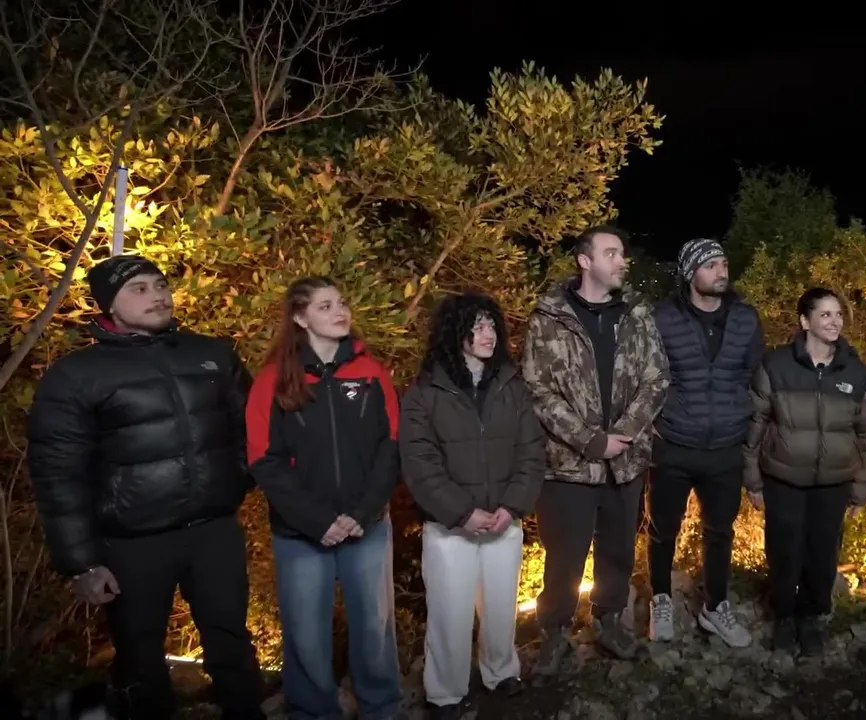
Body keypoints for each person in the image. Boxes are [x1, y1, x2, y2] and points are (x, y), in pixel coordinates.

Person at [26, 254, 265, 719]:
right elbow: (59, 474)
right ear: (109, 306)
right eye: (138, 289)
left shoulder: (211, 354)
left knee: (231, 640)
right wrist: (81, 562)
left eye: (159, 285)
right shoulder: (76, 375)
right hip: (132, 542)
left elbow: (252, 427)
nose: (157, 295)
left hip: (213, 531)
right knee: (139, 653)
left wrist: (238, 479)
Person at [245, 277, 402, 720]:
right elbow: (263, 459)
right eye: (325, 306)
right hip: (301, 533)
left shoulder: (371, 373)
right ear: (300, 317)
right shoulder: (274, 380)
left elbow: (391, 446)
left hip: (365, 526)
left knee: (374, 627)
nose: (340, 311)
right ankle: (313, 712)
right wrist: (317, 521)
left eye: (342, 303)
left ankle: (382, 709)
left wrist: (361, 512)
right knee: (305, 634)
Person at [522, 225, 669, 679]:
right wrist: (590, 439)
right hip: (568, 464)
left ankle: (609, 623)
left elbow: (657, 378)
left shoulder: (637, 315)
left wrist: (623, 433)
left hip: (625, 461)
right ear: (585, 261)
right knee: (564, 555)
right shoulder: (550, 317)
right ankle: (555, 634)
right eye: (611, 253)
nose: (621, 261)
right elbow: (537, 389)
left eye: (622, 253)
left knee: (618, 550)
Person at [399, 293, 545, 720]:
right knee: (450, 612)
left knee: (500, 606)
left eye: (491, 325)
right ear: (455, 333)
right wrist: (462, 512)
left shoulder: (511, 386)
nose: (488, 334)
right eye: (477, 326)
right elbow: (419, 462)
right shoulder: (426, 391)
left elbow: (531, 452)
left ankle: (501, 672)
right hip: (450, 527)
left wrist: (512, 506)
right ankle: (445, 693)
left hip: (503, 519)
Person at [744, 287, 866, 656]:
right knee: (784, 550)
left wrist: (864, 486)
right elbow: (755, 425)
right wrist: (752, 479)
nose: (834, 321)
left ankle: (811, 617)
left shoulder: (855, 373)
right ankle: (784, 616)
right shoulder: (776, 366)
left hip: (834, 482)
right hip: (783, 478)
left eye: (838, 314)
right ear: (805, 321)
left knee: (823, 552)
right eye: (825, 314)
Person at [648, 238, 763, 647]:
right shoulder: (663, 317)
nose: (721, 271)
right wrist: (653, 421)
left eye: (723, 263)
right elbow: (646, 373)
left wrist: (741, 420)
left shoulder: (745, 318)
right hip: (675, 443)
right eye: (710, 265)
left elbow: (752, 373)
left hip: (726, 446)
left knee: (720, 531)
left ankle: (715, 607)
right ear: (689, 272)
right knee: (663, 528)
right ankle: (660, 598)